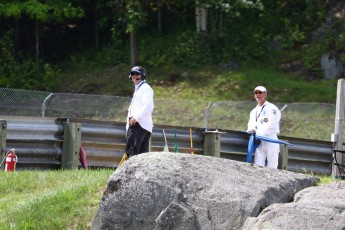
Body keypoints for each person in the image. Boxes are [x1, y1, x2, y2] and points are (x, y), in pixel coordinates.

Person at [247, 86, 281, 168]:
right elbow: (251, 124)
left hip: (271, 140)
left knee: (272, 166)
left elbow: (272, 124)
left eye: (260, 92)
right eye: (256, 93)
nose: (258, 94)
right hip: (259, 141)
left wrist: (261, 133)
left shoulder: (272, 108)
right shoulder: (253, 111)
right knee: (258, 166)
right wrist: (251, 130)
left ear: (265, 94)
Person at [124, 66, 154, 159]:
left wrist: (136, 117)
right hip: (142, 125)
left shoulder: (145, 88)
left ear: (143, 75)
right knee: (141, 158)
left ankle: (130, 174)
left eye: (138, 74)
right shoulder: (140, 89)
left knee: (132, 156)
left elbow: (149, 106)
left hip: (138, 125)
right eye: (133, 74)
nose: (135, 76)